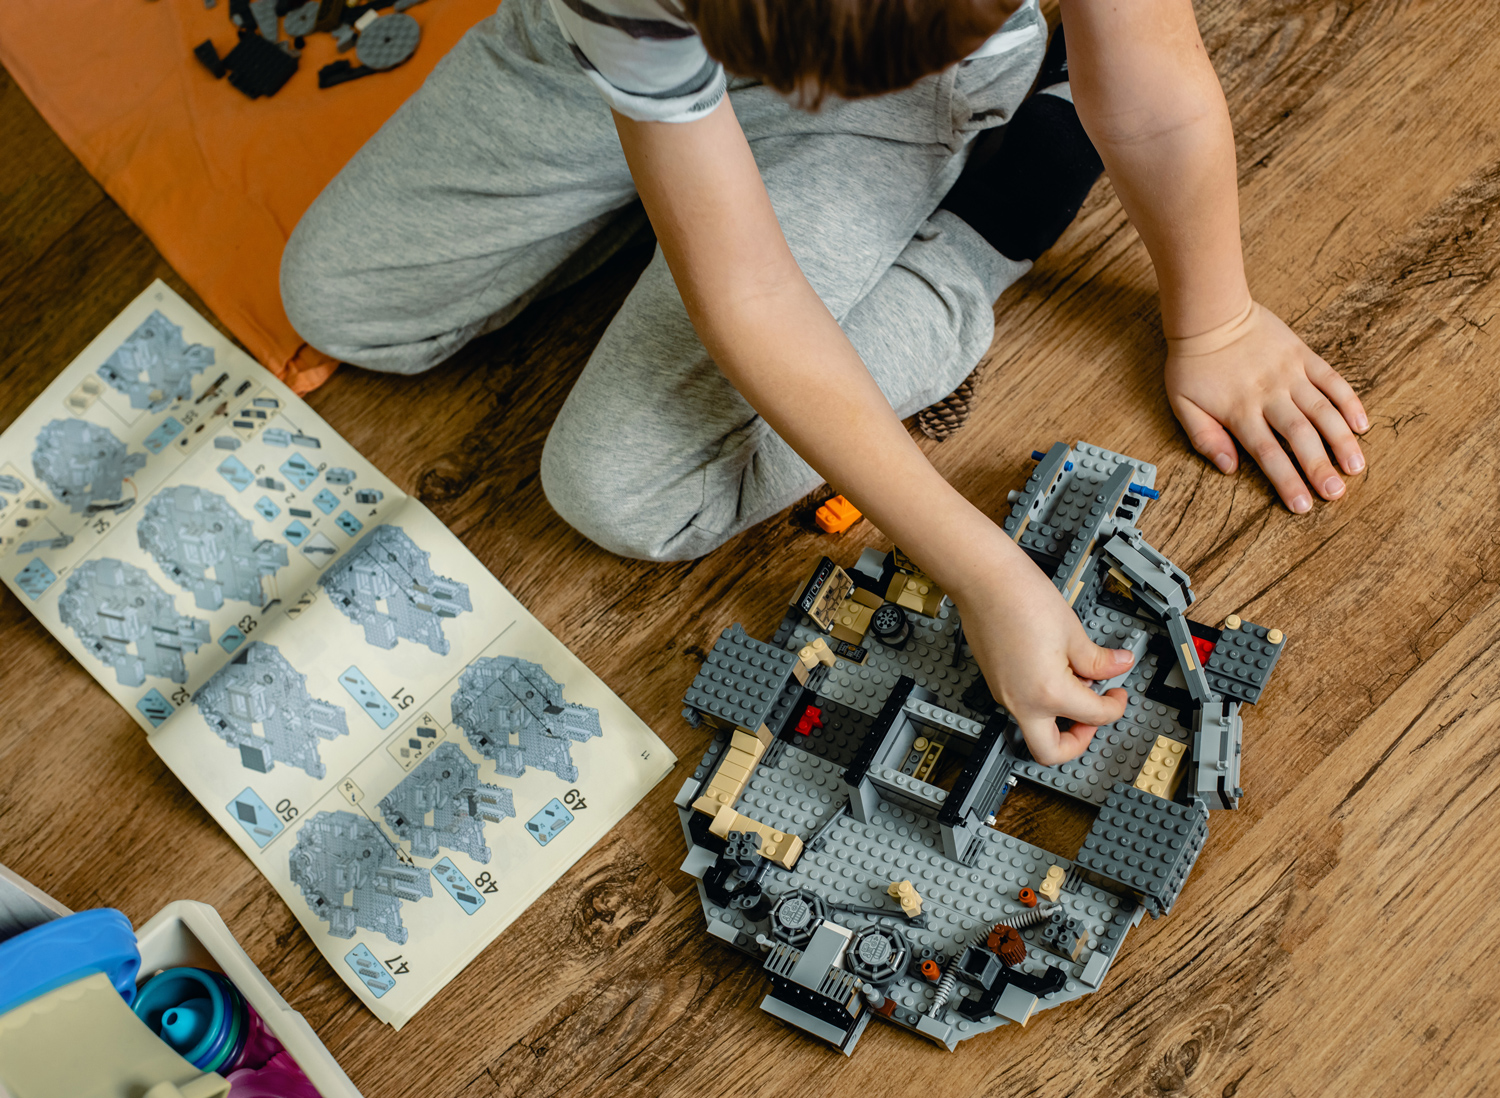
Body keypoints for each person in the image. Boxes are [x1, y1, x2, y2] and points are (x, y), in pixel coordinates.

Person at [281, 0, 1367, 765]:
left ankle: (1001, 200)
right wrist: (985, 574)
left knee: (626, 491)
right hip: (639, 35)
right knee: (341, 300)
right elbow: (743, 288)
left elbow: (1162, 103)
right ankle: (690, 128)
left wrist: (1217, 319)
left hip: (892, 93)